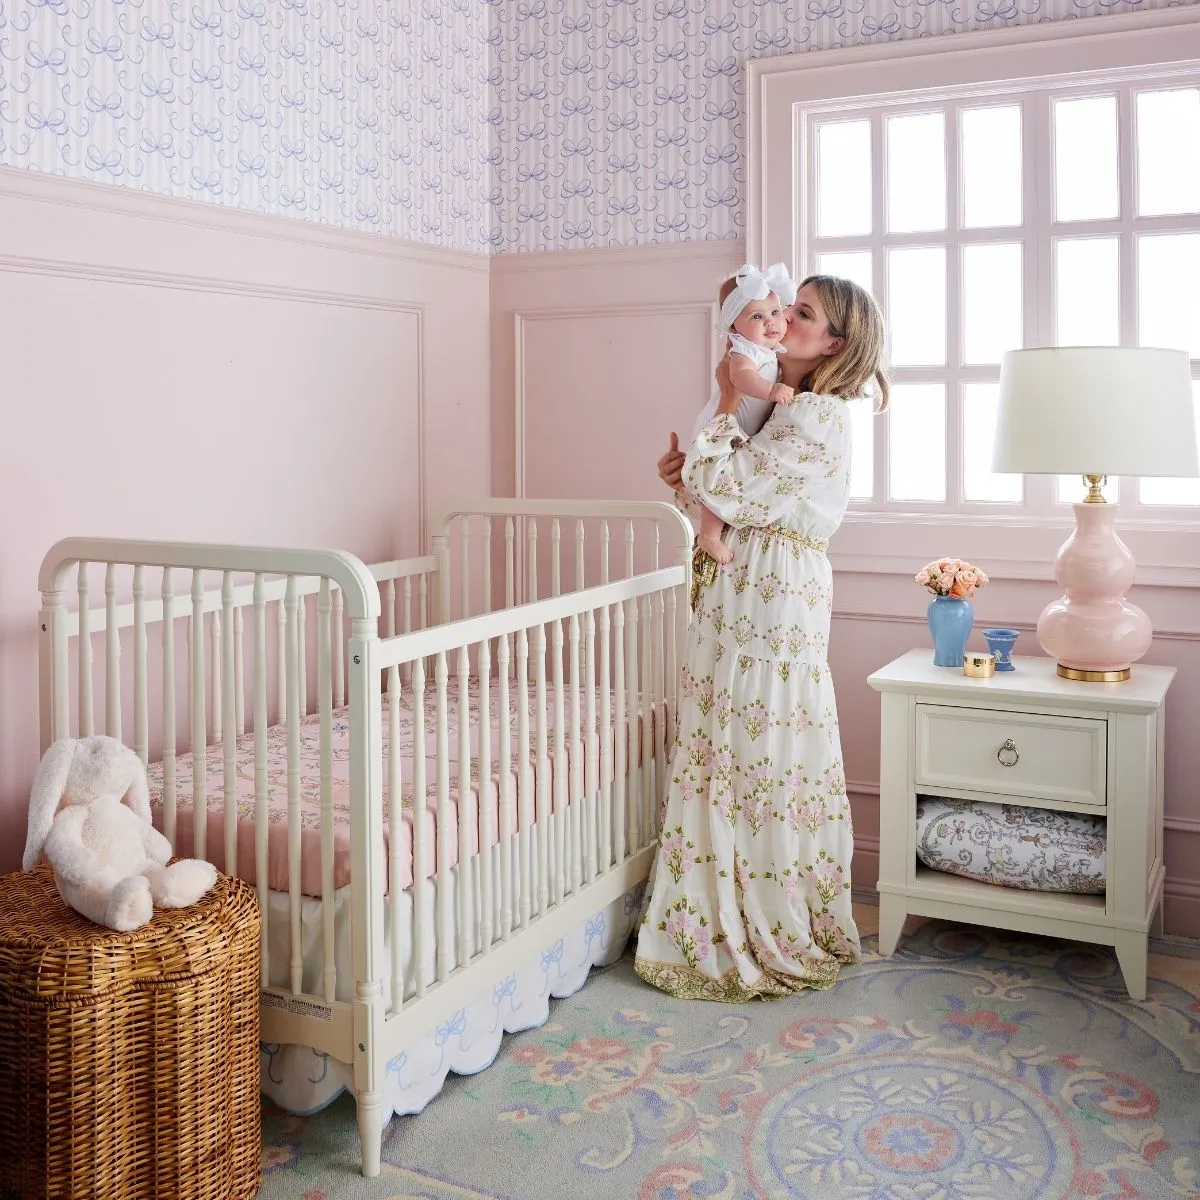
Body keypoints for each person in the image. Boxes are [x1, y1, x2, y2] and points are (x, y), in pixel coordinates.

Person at [634, 274, 889, 1001]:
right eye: (781, 309)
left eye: (800, 314)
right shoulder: (784, 409)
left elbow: (739, 490)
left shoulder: (819, 416)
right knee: (728, 740)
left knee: (760, 742)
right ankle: (719, 905)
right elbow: (722, 490)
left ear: (833, 342)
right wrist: (683, 478)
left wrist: (721, 404)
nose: (782, 322)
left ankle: (761, 909)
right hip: (746, 578)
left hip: (773, 591)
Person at [693, 263, 796, 566]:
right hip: (728, 426)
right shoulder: (743, 351)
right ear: (734, 326)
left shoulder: (769, 348)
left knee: (730, 479)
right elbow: (741, 378)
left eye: (775, 313)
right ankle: (709, 535)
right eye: (756, 316)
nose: (770, 322)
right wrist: (770, 390)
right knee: (721, 477)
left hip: (745, 428)